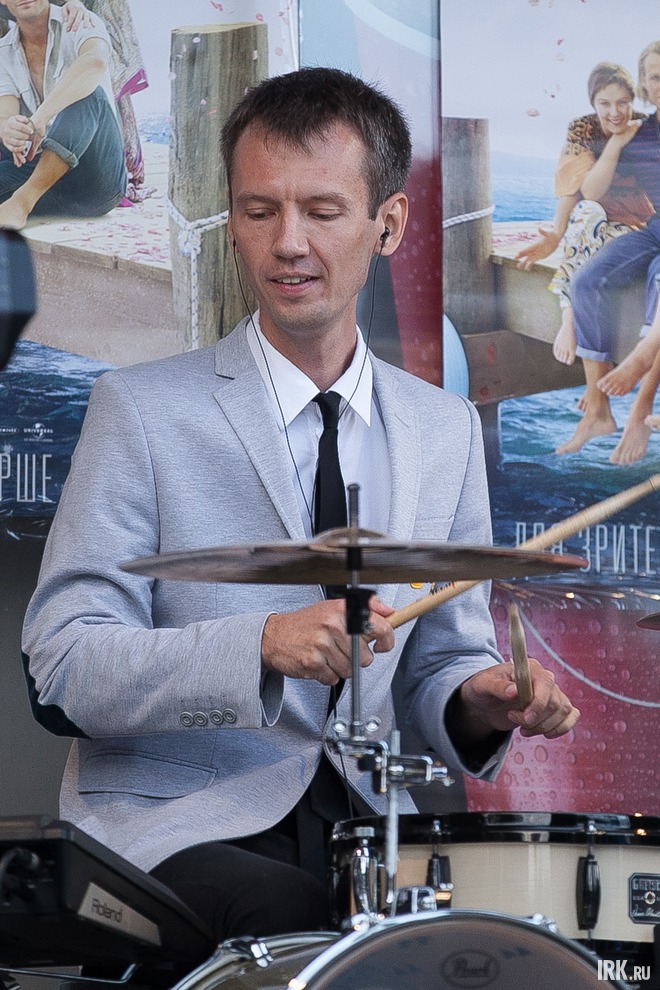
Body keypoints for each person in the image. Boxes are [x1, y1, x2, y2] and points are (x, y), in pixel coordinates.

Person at [21, 67, 579, 956]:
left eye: (322, 211)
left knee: (502, 945)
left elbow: (445, 662)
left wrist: (483, 700)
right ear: (232, 222)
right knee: (301, 918)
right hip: (176, 827)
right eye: (258, 211)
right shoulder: (140, 409)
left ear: (387, 224)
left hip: (370, 826)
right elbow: (63, 667)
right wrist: (261, 644)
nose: (288, 243)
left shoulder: (443, 429)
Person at [558, 41, 660, 460]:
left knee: (658, 280)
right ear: (645, 86)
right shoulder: (640, 134)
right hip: (655, 230)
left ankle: (641, 402)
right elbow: (592, 193)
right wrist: (617, 144)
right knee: (587, 283)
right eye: (655, 77)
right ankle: (598, 411)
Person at [515, 62, 653, 368]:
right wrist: (556, 234)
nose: (615, 112)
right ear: (593, 102)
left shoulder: (644, 129)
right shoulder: (583, 128)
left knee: (595, 248)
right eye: (605, 103)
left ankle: (578, 326)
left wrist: (621, 139)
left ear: (633, 100)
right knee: (586, 213)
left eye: (623, 102)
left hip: (634, 224)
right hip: (596, 216)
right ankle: (568, 318)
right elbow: (580, 189)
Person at [0, 0, 127, 229]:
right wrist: (9, 129)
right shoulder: (3, 52)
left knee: (90, 95)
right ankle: (18, 202)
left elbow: (95, 62)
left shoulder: (79, 20)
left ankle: (21, 203)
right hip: (46, 182)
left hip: (96, 183)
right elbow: (5, 114)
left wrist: (39, 118)